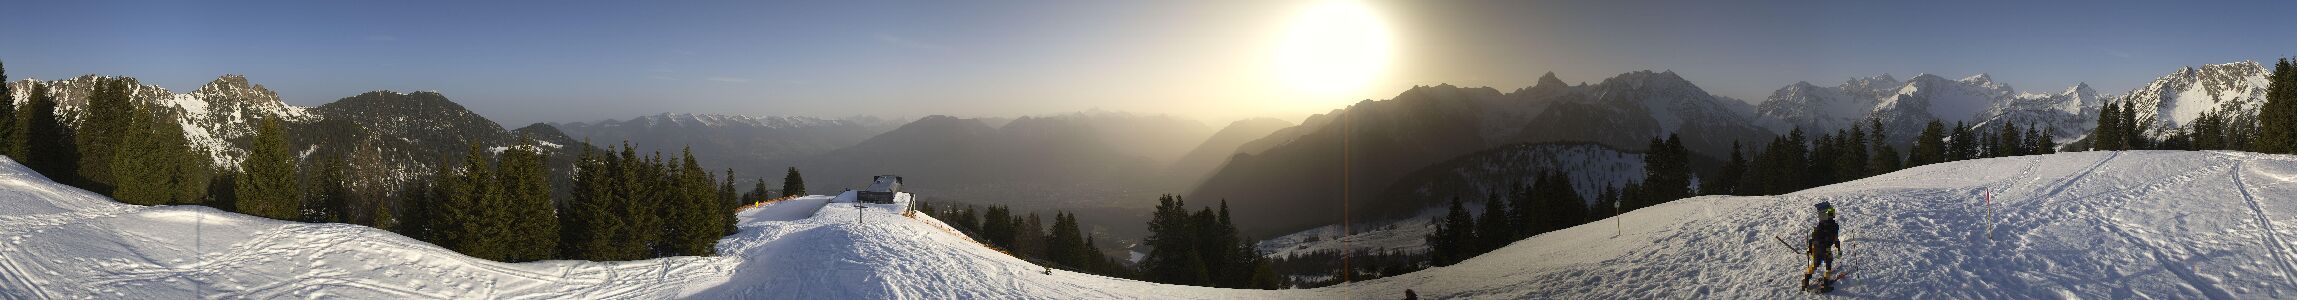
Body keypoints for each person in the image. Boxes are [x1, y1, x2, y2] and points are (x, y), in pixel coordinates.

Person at [1802, 202, 1842, 289]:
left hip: (1815, 248)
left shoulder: (1819, 226)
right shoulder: (1834, 226)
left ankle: (1806, 280)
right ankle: (1826, 283)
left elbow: (1812, 239)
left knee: (1815, 264)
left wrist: (1809, 249)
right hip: (1825, 249)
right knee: (1828, 262)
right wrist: (1839, 249)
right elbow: (1836, 239)